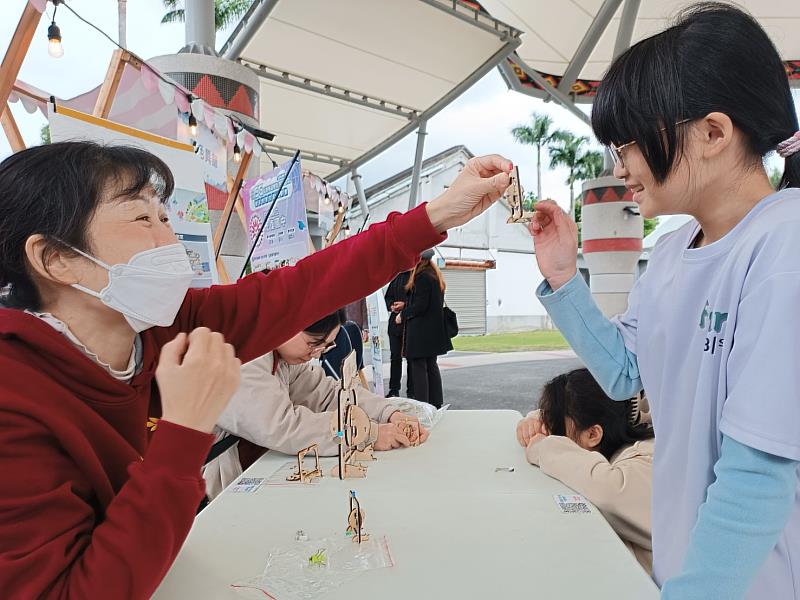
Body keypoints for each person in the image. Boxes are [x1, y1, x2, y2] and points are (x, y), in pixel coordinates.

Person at [0, 140, 512, 598]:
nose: (169, 242)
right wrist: (184, 429)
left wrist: (438, 213)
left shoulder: (160, 329)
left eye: (165, 218)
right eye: (140, 219)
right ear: (55, 259)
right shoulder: (16, 400)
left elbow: (303, 287)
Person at [529, 4, 800, 598]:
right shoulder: (675, 251)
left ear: (712, 133)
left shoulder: (785, 246)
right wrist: (563, 277)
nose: (620, 163)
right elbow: (627, 372)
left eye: (626, 142)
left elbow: (760, 473)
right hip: (680, 567)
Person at [203, 309, 428, 498]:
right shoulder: (243, 358)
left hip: (251, 465)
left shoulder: (279, 354)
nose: (315, 353)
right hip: (208, 484)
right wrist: (367, 433)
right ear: (286, 323)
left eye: (325, 346)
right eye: (313, 343)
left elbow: (327, 393)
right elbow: (284, 426)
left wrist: (388, 413)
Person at [516, 369, 654, 572]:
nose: (552, 434)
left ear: (593, 434)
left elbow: (609, 489)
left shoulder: (645, 460)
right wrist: (536, 420)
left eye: (555, 430)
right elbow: (580, 406)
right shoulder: (620, 431)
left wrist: (546, 448)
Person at [401, 249, 451, 408]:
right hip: (433, 332)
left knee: (419, 368)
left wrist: (403, 313)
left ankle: (423, 404)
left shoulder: (421, 277)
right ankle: (436, 402)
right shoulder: (435, 276)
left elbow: (421, 306)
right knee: (431, 366)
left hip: (420, 333)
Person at [384, 269, 413, 397]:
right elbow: (388, 297)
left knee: (411, 359)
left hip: (410, 324)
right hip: (394, 325)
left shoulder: (416, 276)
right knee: (395, 358)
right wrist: (391, 306)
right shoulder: (396, 276)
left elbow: (419, 301)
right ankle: (393, 390)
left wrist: (404, 305)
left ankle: (411, 390)